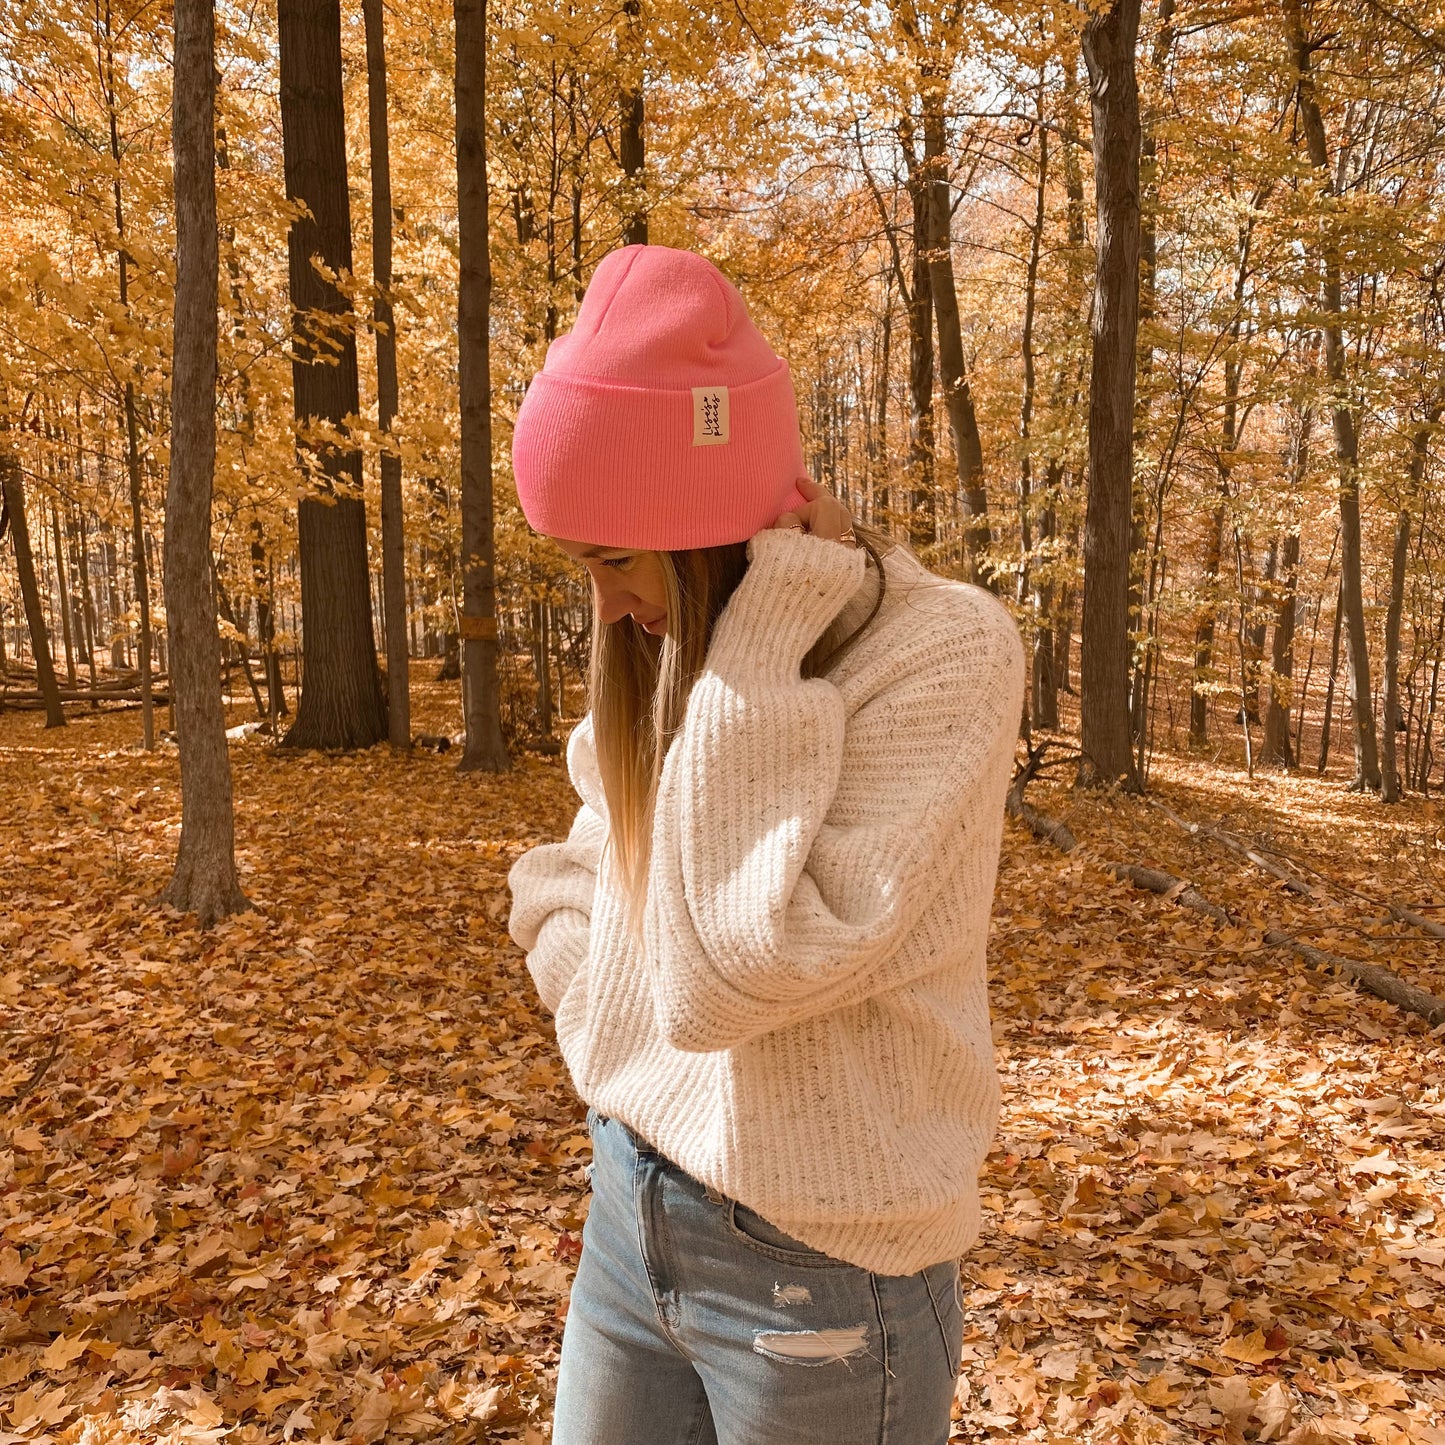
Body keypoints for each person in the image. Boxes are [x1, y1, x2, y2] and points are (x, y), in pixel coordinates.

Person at [506, 243, 1024, 1445]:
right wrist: (595, 1005)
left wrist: (757, 644)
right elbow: (572, 866)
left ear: (700, 528)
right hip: (630, 1211)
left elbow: (726, 977)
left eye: (613, 560)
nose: (607, 606)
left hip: (825, 1269)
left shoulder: (942, 654)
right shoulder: (661, 642)